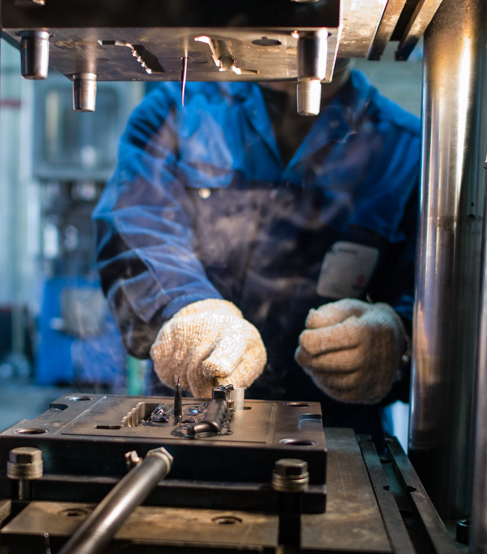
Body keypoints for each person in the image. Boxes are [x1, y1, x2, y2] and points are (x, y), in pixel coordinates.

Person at [92, 62, 420, 444]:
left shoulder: (407, 149)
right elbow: (136, 223)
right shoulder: (174, 111)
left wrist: (396, 343)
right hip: (187, 429)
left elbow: (441, 295)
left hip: (339, 440)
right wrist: (185, 306)